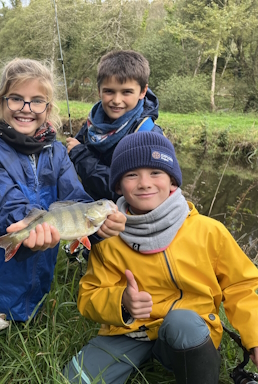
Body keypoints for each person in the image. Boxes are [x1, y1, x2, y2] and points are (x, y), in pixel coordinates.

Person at [63, 132, 258, 384]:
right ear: (118, 186)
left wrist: (254, 337)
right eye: (132, 174)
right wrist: (122, 302)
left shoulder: (209, 230)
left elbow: (241, 286)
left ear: (173, 182)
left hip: (187, 331)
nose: (144, 183)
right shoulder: (107, 236)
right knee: (74, 380)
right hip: (129, 331)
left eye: (156, 172)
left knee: (183, 323)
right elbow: (89, 295)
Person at [0, 58, 126, 322]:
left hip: (39, 276)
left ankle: (28, 311)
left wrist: (99, 228)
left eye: (37, 101)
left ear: (48, 108)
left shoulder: (58, 152)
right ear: (1, 102)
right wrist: (32, 227)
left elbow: (77, 202)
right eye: (16, 99)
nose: (26, 108)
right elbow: (5, 208)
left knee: (27, 325)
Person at [66, 50, 163, 203]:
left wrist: (81, 156)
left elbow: (124, 188)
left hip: (125, 216)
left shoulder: (148, 136)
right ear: (99, 91)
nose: (117, 100)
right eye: (109, 91)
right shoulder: (94, 121)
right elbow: (72, 150)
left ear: (142, 91)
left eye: (127, 92)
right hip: (90, 209)